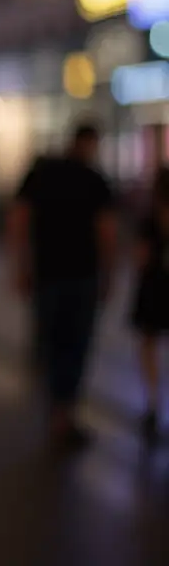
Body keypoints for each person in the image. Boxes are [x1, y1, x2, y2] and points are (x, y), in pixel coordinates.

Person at [8, 123, 117, 449]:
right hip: (82, 275)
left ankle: (56, 413)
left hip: (48, 274)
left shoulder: (42, 174)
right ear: (90, 144)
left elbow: (18, 219)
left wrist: (21, 266)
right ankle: (63, 415)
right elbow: (106, 232)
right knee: (76, 346)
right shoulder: (95, 180)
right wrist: (108, 275)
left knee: (52, 343)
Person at [128, 166, 169, 444]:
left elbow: (141, 257)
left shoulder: (151, 219)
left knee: (149, 344)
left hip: (155, 287)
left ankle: (153, 403)